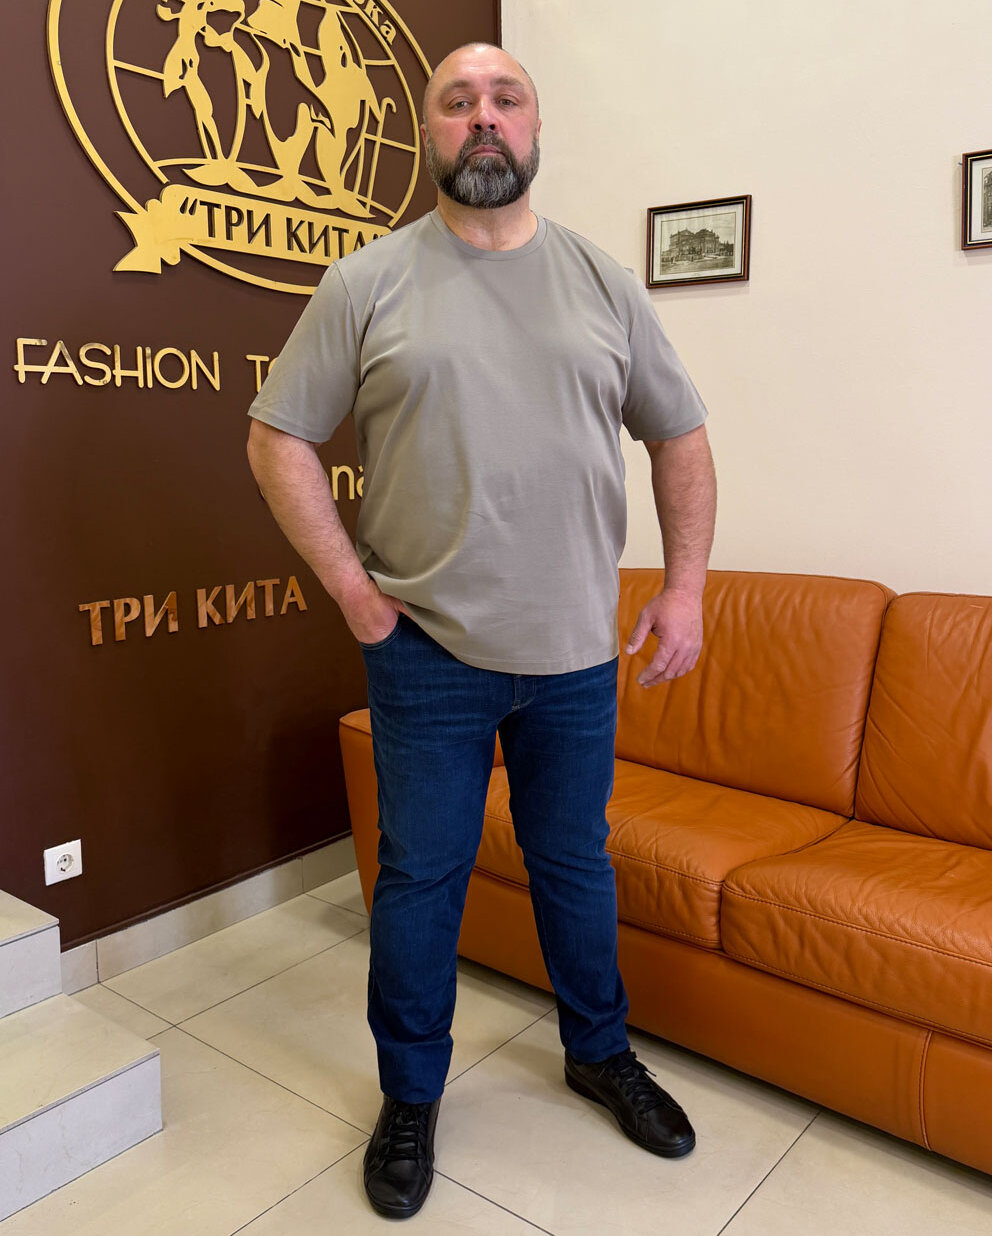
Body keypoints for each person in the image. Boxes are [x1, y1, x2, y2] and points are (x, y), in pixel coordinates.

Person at [247, 42, 717, 1221]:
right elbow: (277, 438)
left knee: (574, 867)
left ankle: (599, 1053)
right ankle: (410, 1097)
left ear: (534, 125)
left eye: (505, 98)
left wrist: (686, 589)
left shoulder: (603, 281)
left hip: (576, 656)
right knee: (421, 879)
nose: (484, 118)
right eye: (457, 103)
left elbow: (679, 435)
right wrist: (355, 593)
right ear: (429, 133)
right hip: (427, 657)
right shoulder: (365, 282)